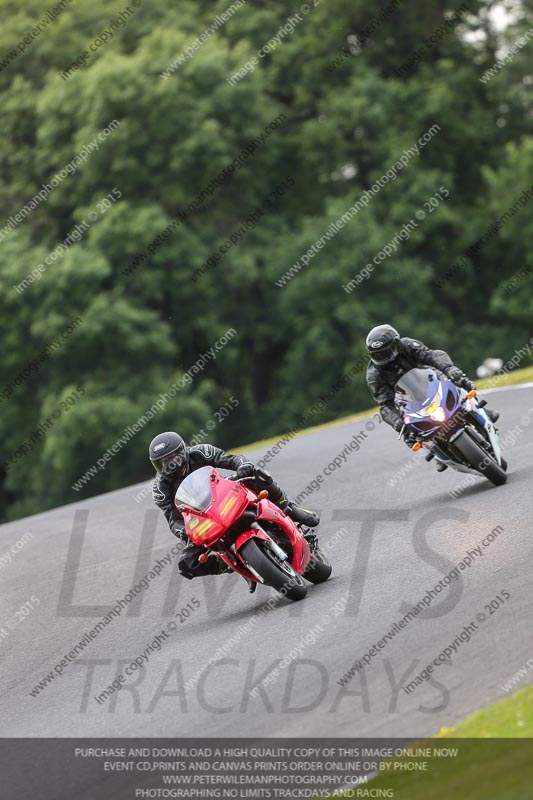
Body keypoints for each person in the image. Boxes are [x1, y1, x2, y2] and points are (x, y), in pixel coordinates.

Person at [149, 432, 319, 586]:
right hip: (202, 520)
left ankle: (289, 508)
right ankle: (232, 565)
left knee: (257, 474)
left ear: (183, 451)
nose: (170, 465)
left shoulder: (201, 452)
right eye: (162, 463)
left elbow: (230, 459)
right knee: (187, 564)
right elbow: (172, 519)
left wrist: (242, 466)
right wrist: (185, 532)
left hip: (223, 496)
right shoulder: (160, 489)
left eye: (173, 458)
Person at [365, 324, 499, 471]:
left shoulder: (408, 344)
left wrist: (449, 369)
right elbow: (385, 404)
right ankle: (437, 452)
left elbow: (432, 355)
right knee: (411, 432)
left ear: (396, 344)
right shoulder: (374, 374)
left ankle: (481, 410)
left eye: (386, 352)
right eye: (377, 355)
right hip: (407, 401)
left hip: (430, 381)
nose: (383, 358)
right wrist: (398, 423)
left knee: (456, 381)